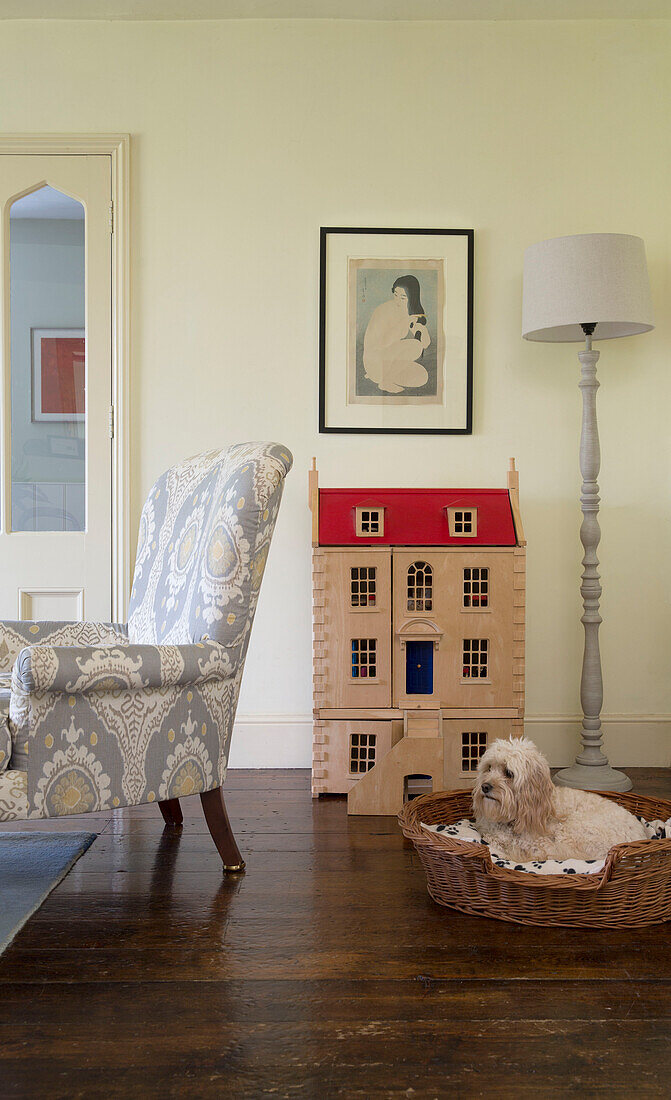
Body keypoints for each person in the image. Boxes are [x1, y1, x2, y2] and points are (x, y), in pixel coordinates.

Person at [362, 275, 430, 393]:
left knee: (422, 377)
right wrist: (405, 322)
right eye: (396, 295)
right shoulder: (384, 310)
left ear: (412, 297)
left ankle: (380, 377)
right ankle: (385, 381)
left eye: (403, 297)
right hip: (375, 360)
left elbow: (425, 343)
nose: (397, 300)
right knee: (415, 346)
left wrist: (421, 329)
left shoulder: (408, 310)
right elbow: (381, 343)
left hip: (390, 362)